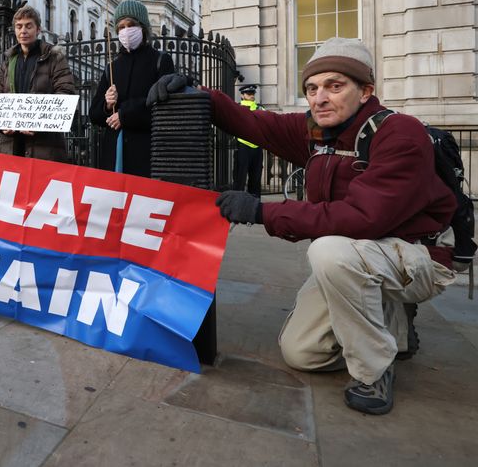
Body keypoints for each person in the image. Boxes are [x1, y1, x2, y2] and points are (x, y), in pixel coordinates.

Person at [148, 37, 457, 415]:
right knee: (301, 353)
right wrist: (203, 96)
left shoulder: (400, 134)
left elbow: (363, 217)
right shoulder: (317, 134)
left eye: (335, 85)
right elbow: (257, 123)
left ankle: (374, 369)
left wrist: (264, 212)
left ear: (366, 91)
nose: (320, 98)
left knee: (328, 250)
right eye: (311, 88)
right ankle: (390, 325)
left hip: (416, 256)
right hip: (359, 255)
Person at [89, 0, 174, 177]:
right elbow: (94, 114)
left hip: (147, 154)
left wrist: (125, 115)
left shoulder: (160, 60)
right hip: (113, 154)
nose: (126, 30)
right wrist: (106, 105)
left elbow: (164, 107)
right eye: (121, 27)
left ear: (143, 28)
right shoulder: (112, 67)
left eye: (131, 24)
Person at [0, 5, 77, 162]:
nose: (23, 31)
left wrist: (38, 124)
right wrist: (1, 125)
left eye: (28, 26)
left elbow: (66, 93)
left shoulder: (54, 58)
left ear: (38, 30)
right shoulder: (8, 61)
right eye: (19, 26)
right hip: (11, 146)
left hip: (45, 147)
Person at [232, 84, 263, 197]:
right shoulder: (237, 107)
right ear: (242, 95)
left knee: (256, 177)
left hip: (256, 146)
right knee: (240, 177)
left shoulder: (260, 108)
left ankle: (254, 202)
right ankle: (237, 201)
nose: (251, 96)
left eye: (252, 93)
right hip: (242, 145)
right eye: (249, 94)